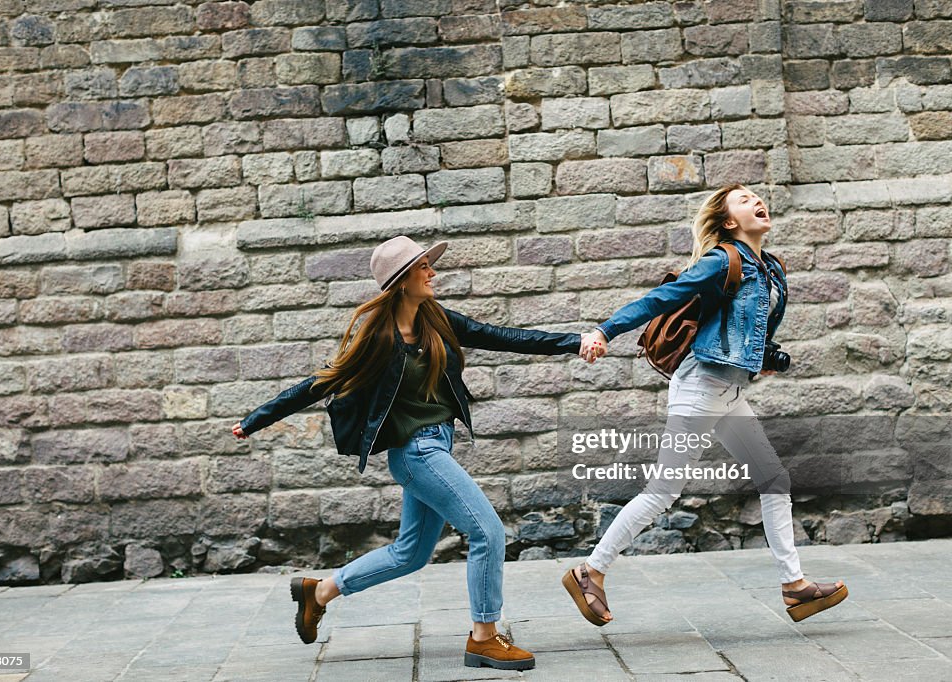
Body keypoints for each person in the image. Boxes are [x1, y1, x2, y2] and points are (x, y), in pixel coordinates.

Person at [233, 235, 582, 671]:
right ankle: (485, 637)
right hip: (415, 453)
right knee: (487, 532)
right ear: (401, 281)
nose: (432, 272)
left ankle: (319, 591)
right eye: (423, 267)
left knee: (411, 553)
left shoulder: (435, 320)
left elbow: (503, 337)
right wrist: (255, 419)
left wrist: (574, 342)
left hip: (437, 444)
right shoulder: (377, 338)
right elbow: (321, 382)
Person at [565, 184, 848, 627]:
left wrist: (763, 358)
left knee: (775, 480)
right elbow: (662, 298)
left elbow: (747, 329)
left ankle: (794, 587)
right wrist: (604, 331)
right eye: (743, 199)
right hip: (701, 386)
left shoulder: (771, 267)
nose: (757, 200)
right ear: (729, 221)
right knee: (663, 492)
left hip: (730, 391)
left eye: (757, 195)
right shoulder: (722, 260)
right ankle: (590, 570)